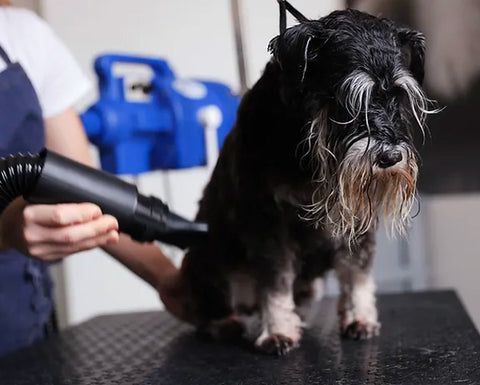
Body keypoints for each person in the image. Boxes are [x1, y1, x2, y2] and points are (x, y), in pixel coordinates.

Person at [0, 3, 189, 358]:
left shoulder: (21, 35)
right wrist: (6, 229)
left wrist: (168, 278)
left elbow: (87, 191)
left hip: (22, 323)